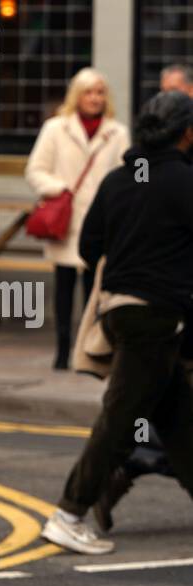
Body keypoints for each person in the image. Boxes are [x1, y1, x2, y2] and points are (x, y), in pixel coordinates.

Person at [41, 91, 193, 554]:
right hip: (158, 317)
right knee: (120, 420)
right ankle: (68, 513)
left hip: (122, 310)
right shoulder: (185, 183)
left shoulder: (117, 181)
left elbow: (89, 248)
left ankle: (78, 507)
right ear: (186, 133)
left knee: (181, 422)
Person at [94, 63, 193, 530]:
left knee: (163, 401)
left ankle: (123, 467)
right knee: (159, 404)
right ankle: (90, 491)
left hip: (163, 299)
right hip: (169, 301)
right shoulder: (166, 166)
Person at [26, 68, 130, 370]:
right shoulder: (55, 128)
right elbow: (35, 170)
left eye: (100, 92)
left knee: (94, 287)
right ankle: (61, 349)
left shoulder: (117, 132)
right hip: (67, 221)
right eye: (88, 92)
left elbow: (126, 174)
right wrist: (61, 188)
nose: (95, 98)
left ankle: (87, 349)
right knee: (63, 285)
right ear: (77, 95)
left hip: (100, 221)